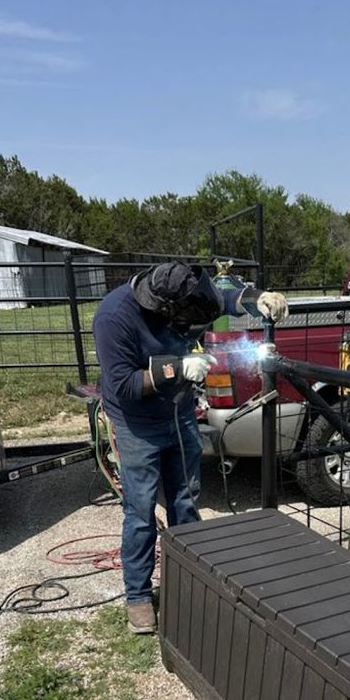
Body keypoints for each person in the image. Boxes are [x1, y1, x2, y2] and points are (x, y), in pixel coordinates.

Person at [92, 261, 288, 634]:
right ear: (164, 307)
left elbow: (223, 298)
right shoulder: (113, 317)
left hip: (179, 414)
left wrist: (257, 298)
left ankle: (191, 578)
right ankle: (137, 596)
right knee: (141, 510)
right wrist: (177, 369)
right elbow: (123, 386)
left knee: (185, 500)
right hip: (137, 425)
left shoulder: (183, 291)